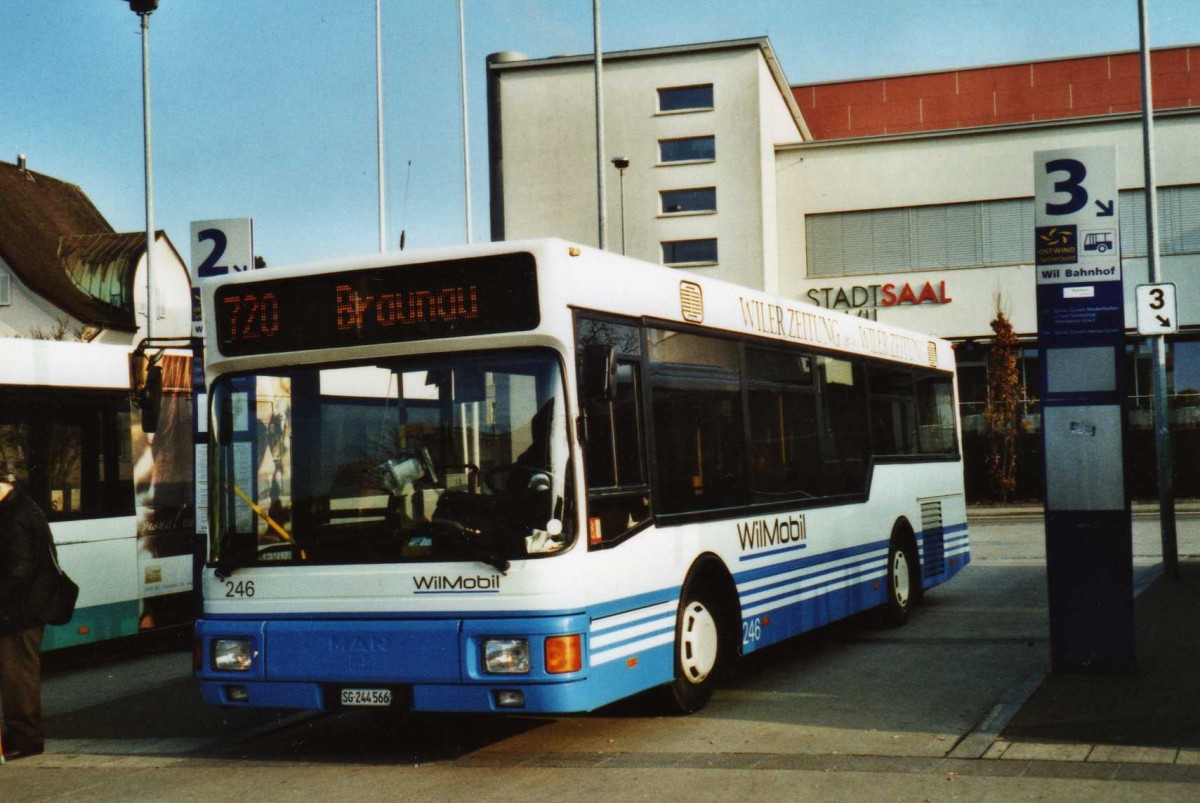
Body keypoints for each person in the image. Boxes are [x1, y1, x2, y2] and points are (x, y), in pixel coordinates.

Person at [0, 462, 58, 760]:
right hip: (20, 610)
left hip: (20, 613)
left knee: (17, 676)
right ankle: (20, 735)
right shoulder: (19, 507)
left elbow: (17, 571)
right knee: (16, 675)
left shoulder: (15, 515)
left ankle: (25, 739)